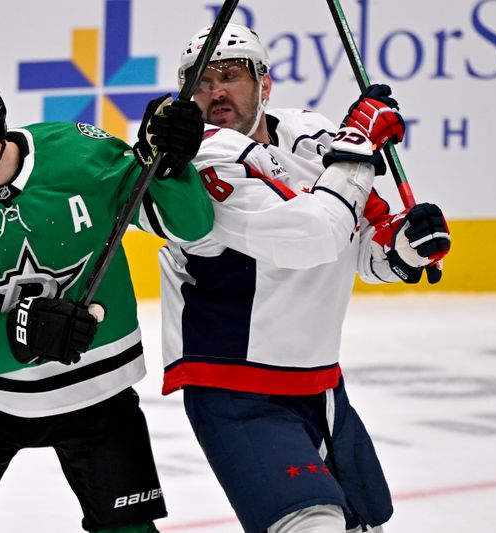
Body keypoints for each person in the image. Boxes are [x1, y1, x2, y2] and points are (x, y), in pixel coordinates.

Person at [158, 24, 451, 532]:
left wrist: (404, 247)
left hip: (321, 384)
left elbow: (358, 241)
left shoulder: (307, 132)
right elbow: (314, 234)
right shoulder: (203, 158)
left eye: (230, 75)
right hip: (234, 388)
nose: (216, 91)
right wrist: (358, 145)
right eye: (201, 82)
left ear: (265, 84)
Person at [0, 73, 212, 533]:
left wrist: (168, 168)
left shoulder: (79, 156)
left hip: (97, 391)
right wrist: (20, 333)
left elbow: (189, 226)